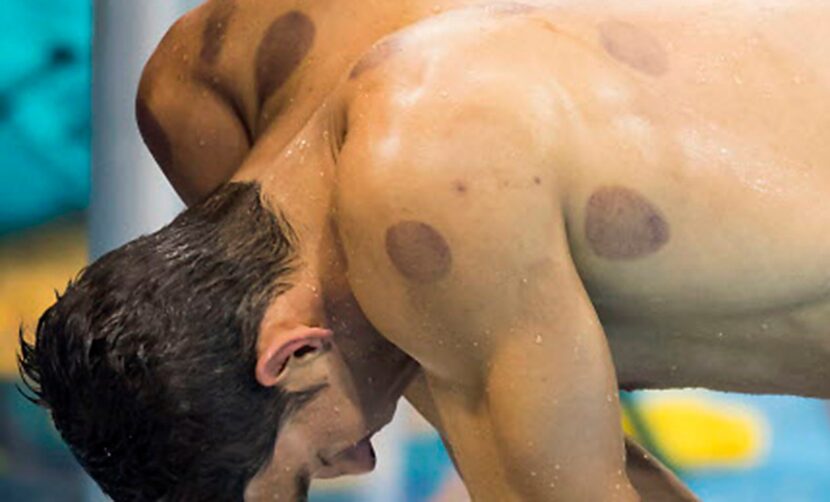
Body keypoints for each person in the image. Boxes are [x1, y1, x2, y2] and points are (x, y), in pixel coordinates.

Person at [20, 0, 830, 499]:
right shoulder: (199, 84)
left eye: (307, 474)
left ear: (289, 352)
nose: (359, 465)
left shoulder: (426, 203)